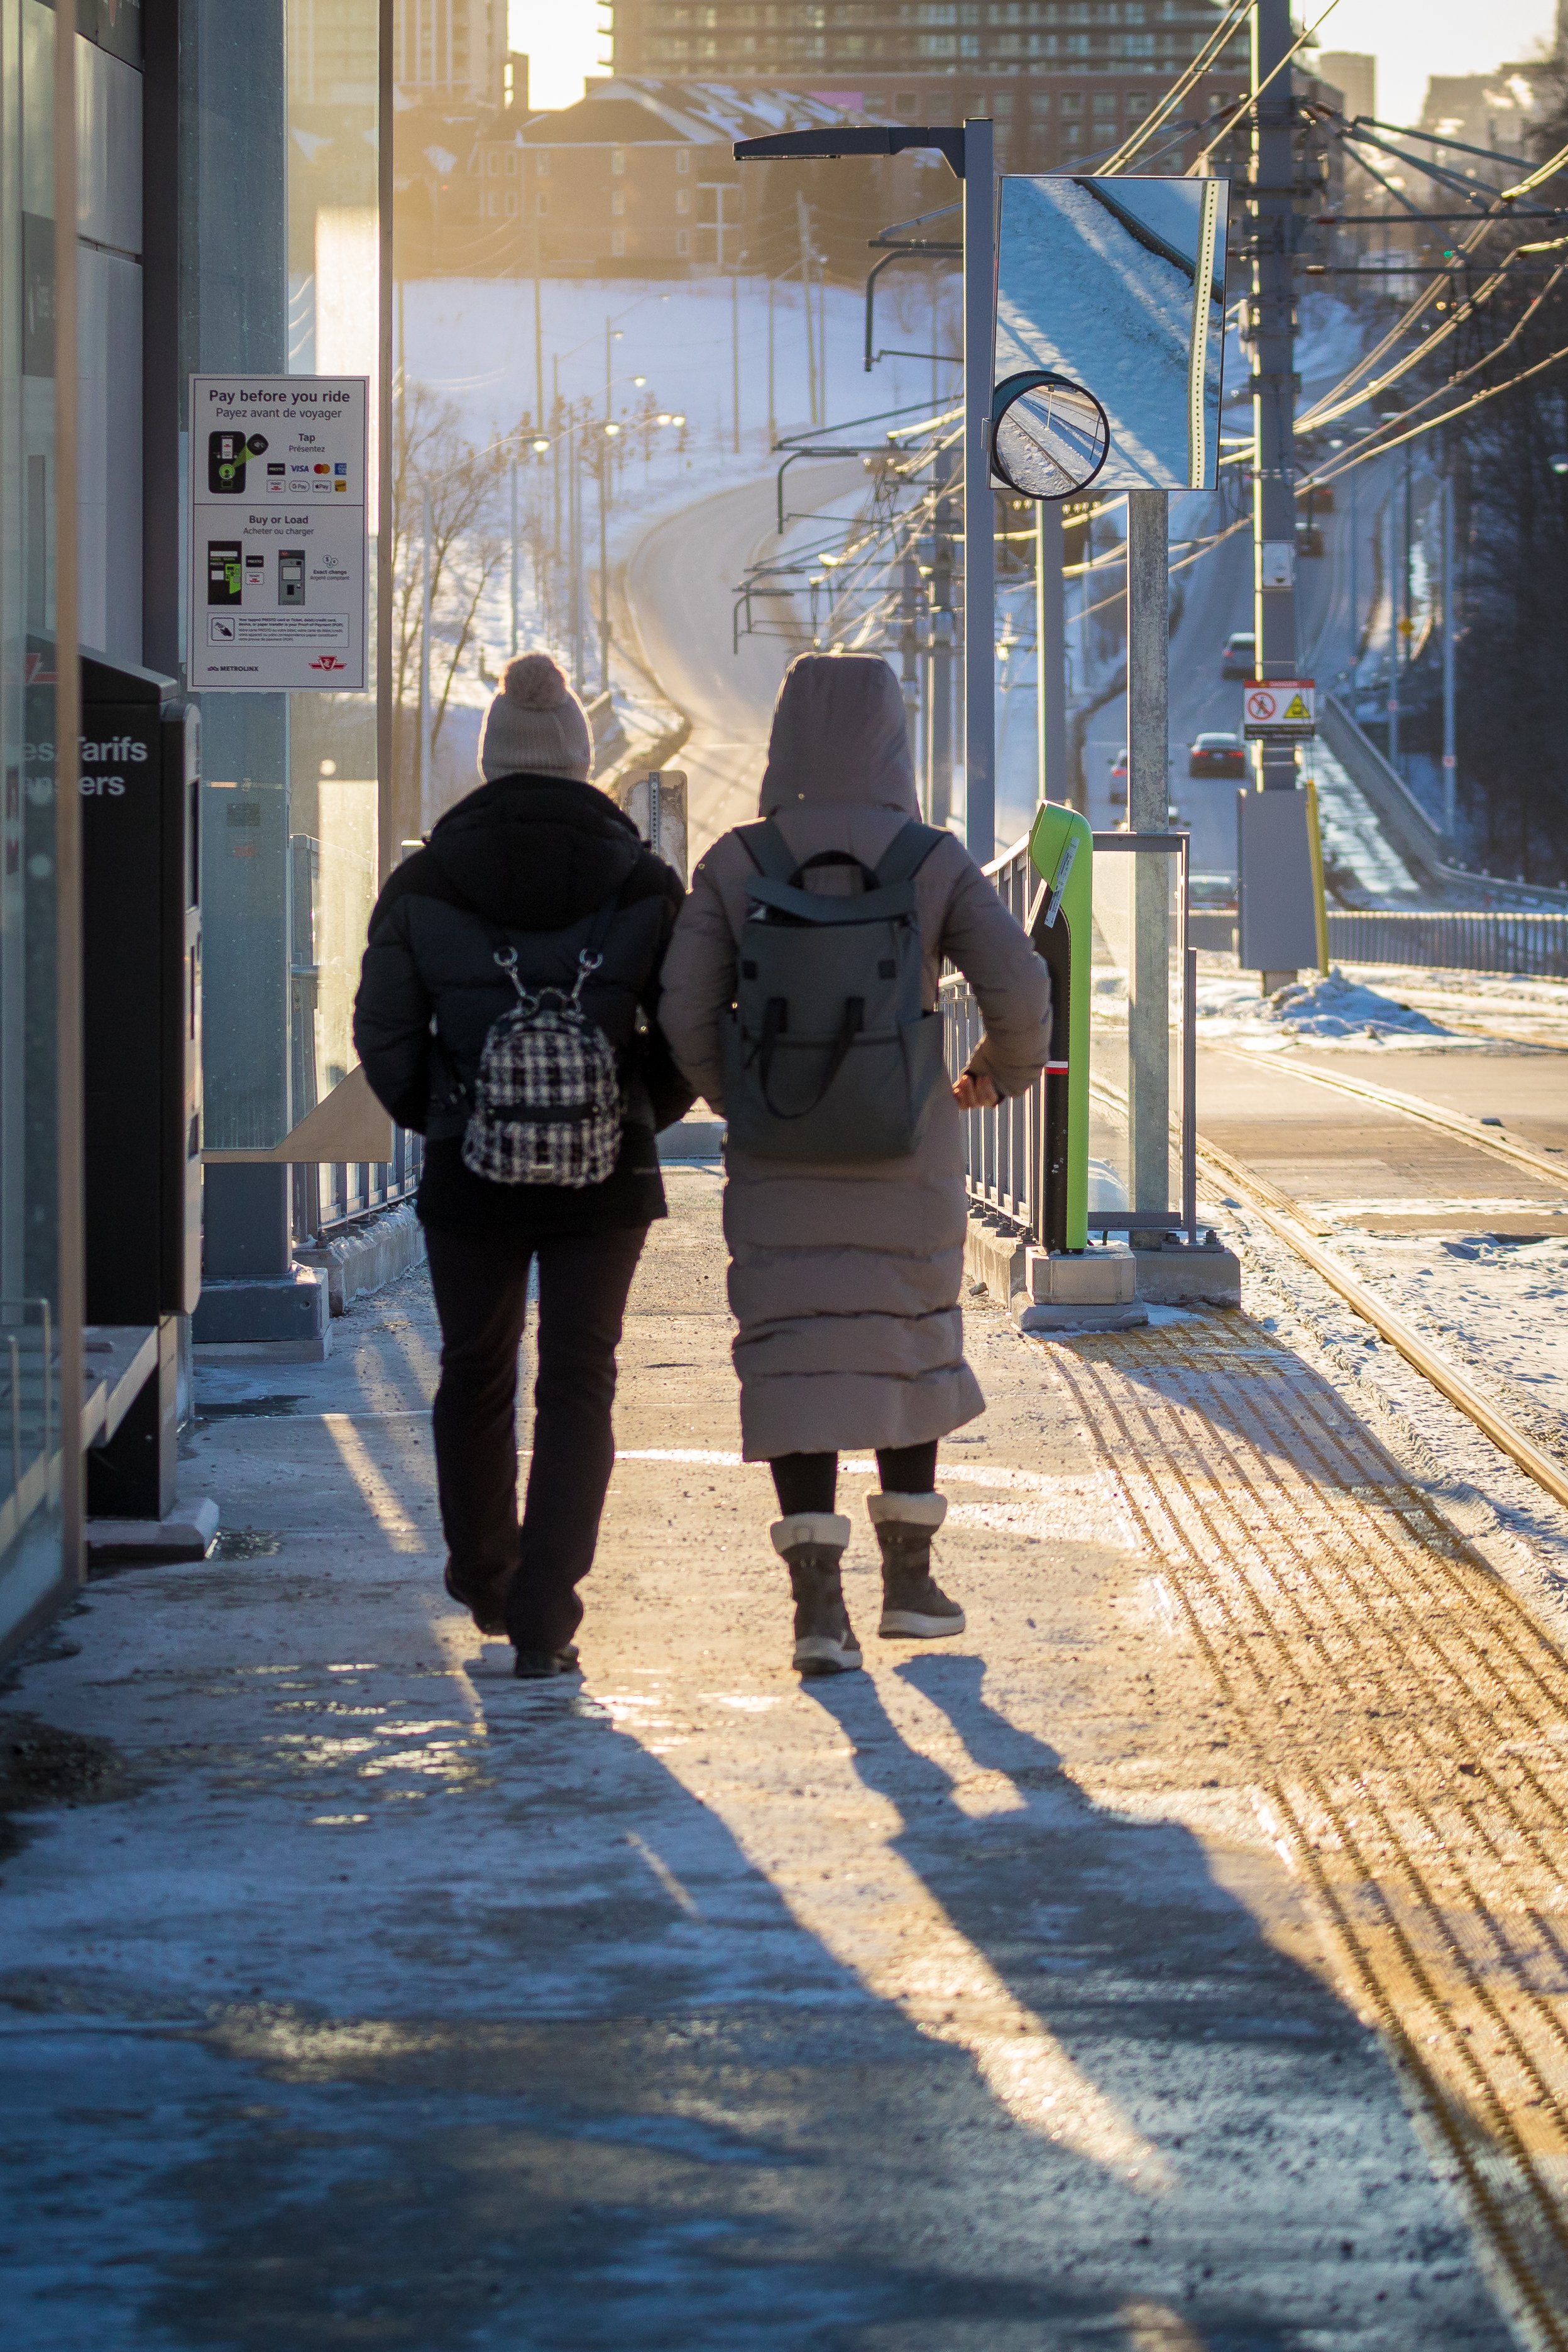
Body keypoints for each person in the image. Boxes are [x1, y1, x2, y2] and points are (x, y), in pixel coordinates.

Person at [659, 651, 1051, 1676]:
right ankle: (912, 1585)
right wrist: (989, 1079)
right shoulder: (932, 859)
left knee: (799, 1351)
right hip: (906, 1151)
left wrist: (736, 1094)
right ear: (895, 742)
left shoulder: (738, 862)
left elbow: (679, 1008)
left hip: (778, 1150)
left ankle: (818, 1608)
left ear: (784, 739)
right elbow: (1021, 989)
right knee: (902, 1341)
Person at [353, 653, 693, 1678]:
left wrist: (443, 1115)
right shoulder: (642, 880)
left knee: (475, 1371)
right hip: (606, 1177)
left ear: (493, 756)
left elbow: (384, 1030)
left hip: (471, 1171)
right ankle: (549, 1610)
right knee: (581, 1379)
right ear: (584, 760)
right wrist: (637, 1112)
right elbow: (684, 1031)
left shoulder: (422, 877)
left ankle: (486, 1573)